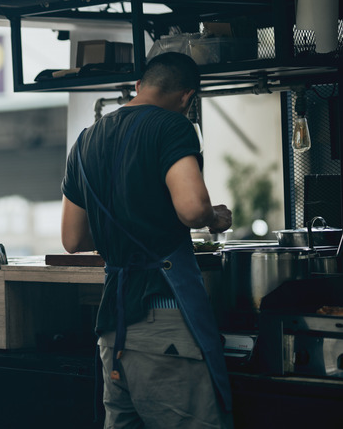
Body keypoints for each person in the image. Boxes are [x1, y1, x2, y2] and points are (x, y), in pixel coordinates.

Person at [60, 52, 234, 428]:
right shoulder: (172, 126)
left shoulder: (86, 141)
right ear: (188, 98)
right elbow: (191, 209)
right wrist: (214, 216)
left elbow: (72, 238)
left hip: (113, 327)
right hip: (165, 323)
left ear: (138, 87)